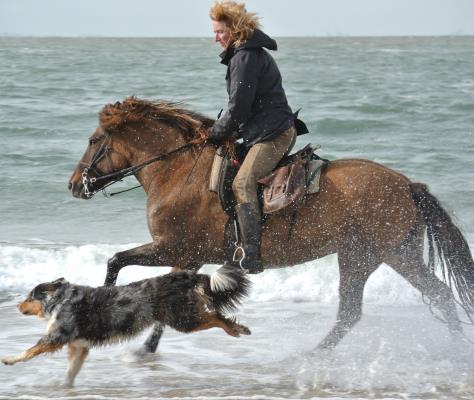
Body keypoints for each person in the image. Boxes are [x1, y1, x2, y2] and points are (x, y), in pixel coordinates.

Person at [208, 1, 297, 274]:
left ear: (235, 31)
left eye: (221, 31)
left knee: (242, 183)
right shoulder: (244, 54)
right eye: (215, 32)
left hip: (273, 134)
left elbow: (238, 108)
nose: (216, 37)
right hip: (261, 131)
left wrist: (216, 133)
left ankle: (252, 255)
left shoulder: (244, 58)